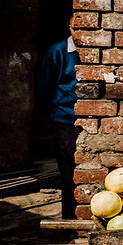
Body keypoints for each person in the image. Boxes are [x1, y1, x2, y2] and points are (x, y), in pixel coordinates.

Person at [37, 35, 80, 220]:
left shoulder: (96, 50)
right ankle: (70, 225)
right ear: (71, 27)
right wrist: (52, 114)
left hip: (92, 121)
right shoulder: (58, 51)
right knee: (69, 175)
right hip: (65, 121)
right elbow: (44, 86)